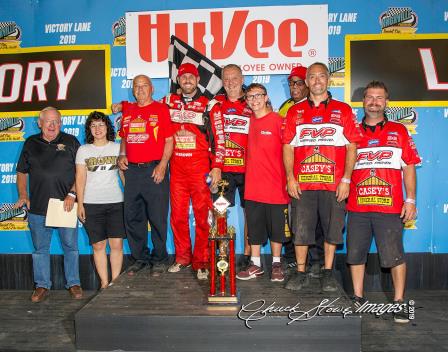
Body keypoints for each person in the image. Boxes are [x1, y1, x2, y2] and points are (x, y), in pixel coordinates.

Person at [283, 62, 363, 292]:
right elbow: (287, 146)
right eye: (312, 77)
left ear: (328, 80)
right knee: (300, 229)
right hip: (303, 184)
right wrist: (290, 177)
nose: (317, 81)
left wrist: (347, 179)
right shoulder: (294, 111)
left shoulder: (343, 110)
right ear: (306, 82)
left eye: (321, 76)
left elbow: (352, 146)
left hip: (334, 184)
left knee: (332, 229)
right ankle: (300, 271)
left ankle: (328, 272)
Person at [346, 81, 420, 323]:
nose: (374, 102)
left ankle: (399, 301)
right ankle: (358, 298)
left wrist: (410, 199)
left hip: (389, 208)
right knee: (356, 254)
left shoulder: (399, 131)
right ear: (363, 101)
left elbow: (409, 166)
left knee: (394, 256)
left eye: (379, 98)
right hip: (358, 207)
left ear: (386, 102)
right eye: (370, 97)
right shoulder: (353, 132)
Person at [161, 63, 225, 280]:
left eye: (191, 76)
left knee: (203, 217)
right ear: (178, 80)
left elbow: (220, 138)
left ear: (197, 80)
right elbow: (147, 109)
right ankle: (182, 258)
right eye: (183, 77)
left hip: (200, 170)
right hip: (177, 170)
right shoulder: (168, 102)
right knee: (177, 217)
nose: (187, 80)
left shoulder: (210, 104)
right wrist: (124, 107)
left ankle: (202, 262)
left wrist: (217, 166)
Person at [15, 106, 82, 302]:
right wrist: (23, 194)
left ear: (61, 123)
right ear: (39, 123)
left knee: (71, 247)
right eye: (48, 121)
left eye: (56, 122)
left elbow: (81, 173)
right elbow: (21, 172)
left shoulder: (71, 142)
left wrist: (72, 194)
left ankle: (74, 283)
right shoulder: (30, 143)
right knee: (40, 250)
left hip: (65, 205)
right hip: (38, 207)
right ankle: (42, 285)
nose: (52, 125)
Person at [111, 75, 174, 276]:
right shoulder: (128, 110)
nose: (140, 90)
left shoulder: (161, 109)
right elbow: (124, 138)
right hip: (133, 172)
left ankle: (160, 258)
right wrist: (122, 154)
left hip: (154, 169)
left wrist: (163, 165)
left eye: (144, 86)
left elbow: (169, 140)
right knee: (133, 217)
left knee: (157, 217)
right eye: (136, 86)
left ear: (152, 89)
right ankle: (140, 258)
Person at [236, 83, 289, 283]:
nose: (254, 100)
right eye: (250, 97)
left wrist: (289, 178)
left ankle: (276, 264)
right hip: (253, 186)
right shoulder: (247, 122)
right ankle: (255, 264)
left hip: (276, 186)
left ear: (266, 97)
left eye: (258, 95)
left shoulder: (278, 121)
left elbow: (289, 152)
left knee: (277, 229)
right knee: (255, 229)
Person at [278, 66, 325, 277]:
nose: (293, 87)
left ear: (306, 84)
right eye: (290, 83)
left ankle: (317, 261)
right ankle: (293, 260)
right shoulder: (286, 107)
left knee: (319, 221)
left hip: (317, 173)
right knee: (294, 220)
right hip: (291, 172)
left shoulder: (322, 107)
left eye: (298, 82)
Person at [75, 111, 125, 289]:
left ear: (107, 127)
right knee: (98, 245)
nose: (97, 129)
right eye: (93, 125)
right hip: (91, 204)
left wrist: (131, 199)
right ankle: (104, 283)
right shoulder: (83, 150)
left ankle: (116, 282)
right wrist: (80, 204)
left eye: (101, 125)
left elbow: (123, 174)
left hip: (115, 202)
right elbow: (80, 179)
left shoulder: (117, 147)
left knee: (116, 244)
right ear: (89, 129)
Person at [214, 64, 253, 269]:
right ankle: (222, 252)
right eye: (226, 79)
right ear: (222, 81)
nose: (230, 83)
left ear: (242, 78)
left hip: (249, 168)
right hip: (223, 168)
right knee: (220, 210)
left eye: (234, 78)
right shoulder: (215, 103)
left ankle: (247, 254)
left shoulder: (253, 101)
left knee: (250, 212)